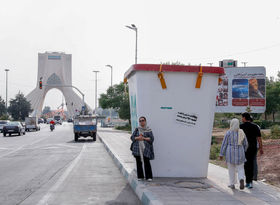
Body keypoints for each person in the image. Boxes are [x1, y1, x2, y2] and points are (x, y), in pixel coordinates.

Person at [220, 118, 248, 190]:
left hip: (230, 153)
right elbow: (246, 144)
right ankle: (241, 179)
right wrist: (243, 150)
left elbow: (224, 144)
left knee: (231, 169)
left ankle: (232, 184)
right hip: (240, 152)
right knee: (240, 168)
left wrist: (221, 154)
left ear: (231, 124)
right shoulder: (241, 132)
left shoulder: (228, 132)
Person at [240, 112, 264, 189]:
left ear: (244, 118)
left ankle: (247, 181)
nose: (241, 119)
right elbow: (259, 139)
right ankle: (250, 182)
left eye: (242, 117)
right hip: (253, 148)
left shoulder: (241, 126)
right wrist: (261, 148)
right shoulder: (255, 126)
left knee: (246, 164)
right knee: (251, 163)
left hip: (244, 148)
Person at [130, 116, 154, 181]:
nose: (141, 122)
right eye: (140, 121)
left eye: (142, 120)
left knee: (147, 162)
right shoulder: (137, 129)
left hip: (146, 149)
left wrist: (144, 138)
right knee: (138, 163)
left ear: (145, 121)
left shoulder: (149, 130)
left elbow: (151, 139)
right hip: (137, 149)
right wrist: (138, 138)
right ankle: (140, 177)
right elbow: (132, 137)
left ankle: (149, 177)